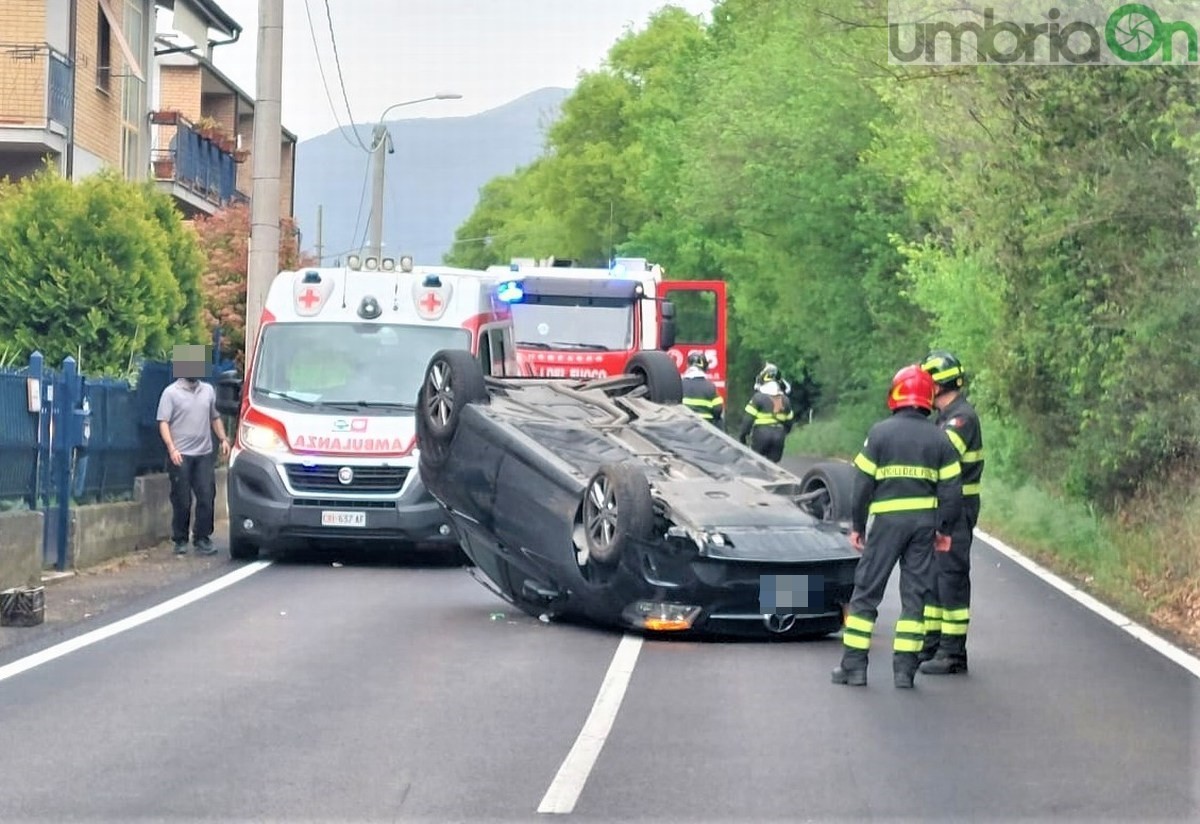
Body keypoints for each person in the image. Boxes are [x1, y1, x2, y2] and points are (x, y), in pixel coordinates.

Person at [831, 364, 963, 689]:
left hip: (887, 525)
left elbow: (861, 485)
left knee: (866, 593)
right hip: (923, 526)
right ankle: (905, 672)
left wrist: (857, 525)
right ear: (928, 398)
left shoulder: (879, 433)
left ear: (896, 394)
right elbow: (952, 492)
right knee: (915, 597)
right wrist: (944, 530)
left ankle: (854, 668)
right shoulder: (940, 438)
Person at [917, 349, 985, 675]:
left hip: (957, 511)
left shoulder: (962, 419)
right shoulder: (943, 419)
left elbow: (938, 454)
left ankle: (953, 652)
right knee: (933, 578)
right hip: (942, 509)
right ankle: (932, 644)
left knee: (951, 578)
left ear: (938, 385)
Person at [157, 358, 231, 556]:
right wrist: (172, 448)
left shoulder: (208, 391)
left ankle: (202, 537)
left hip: (203, 453)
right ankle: (180, 539)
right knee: (182, 499)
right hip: (180, 454)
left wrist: (223, 438)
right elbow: (163, 422)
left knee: (207, 495)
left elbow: (215, 418)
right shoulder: (170, 393)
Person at [737, 364, 794, 462]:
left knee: (756, 464)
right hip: (779, 436)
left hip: (761, 435)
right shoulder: (785, 400)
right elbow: (789, 422)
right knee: (772, 466)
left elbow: (748, 420)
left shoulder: (758, 398)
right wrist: (783, 433)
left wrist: (742, 436)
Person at [681, 352, 724, 429]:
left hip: (683, 427)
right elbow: (718, 409)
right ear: (705, 368)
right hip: (705, 429)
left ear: (688, 366)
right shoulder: (710, 386)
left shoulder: (680, 384)